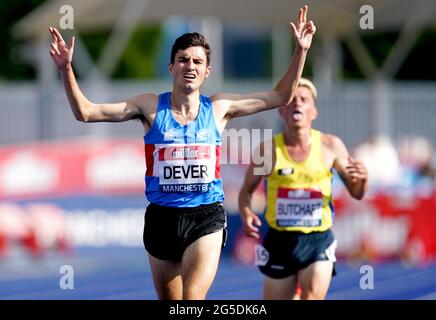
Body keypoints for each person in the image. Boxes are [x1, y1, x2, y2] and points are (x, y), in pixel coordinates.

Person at [48, 5, 316, 300]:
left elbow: (281, 96)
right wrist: (66, 69)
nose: (190, 66)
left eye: (197, 61)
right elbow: (86, 113)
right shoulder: (150, 107)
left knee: (191, 301)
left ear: (206, 70)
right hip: (162, 219)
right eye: (183, 60)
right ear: (171, 67)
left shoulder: (219, 108)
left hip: (206, 217)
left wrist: (300, 51)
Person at [238, 78, 368, 300]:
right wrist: (246, 212)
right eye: (291, 100)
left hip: (317, 239)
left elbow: (356, 193)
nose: (297, 104)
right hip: (279, 240)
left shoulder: (331, 146)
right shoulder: (267, 150)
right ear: (282, 111)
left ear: (313, 111)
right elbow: (246, 192)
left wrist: (363, 179)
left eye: (304, 100)